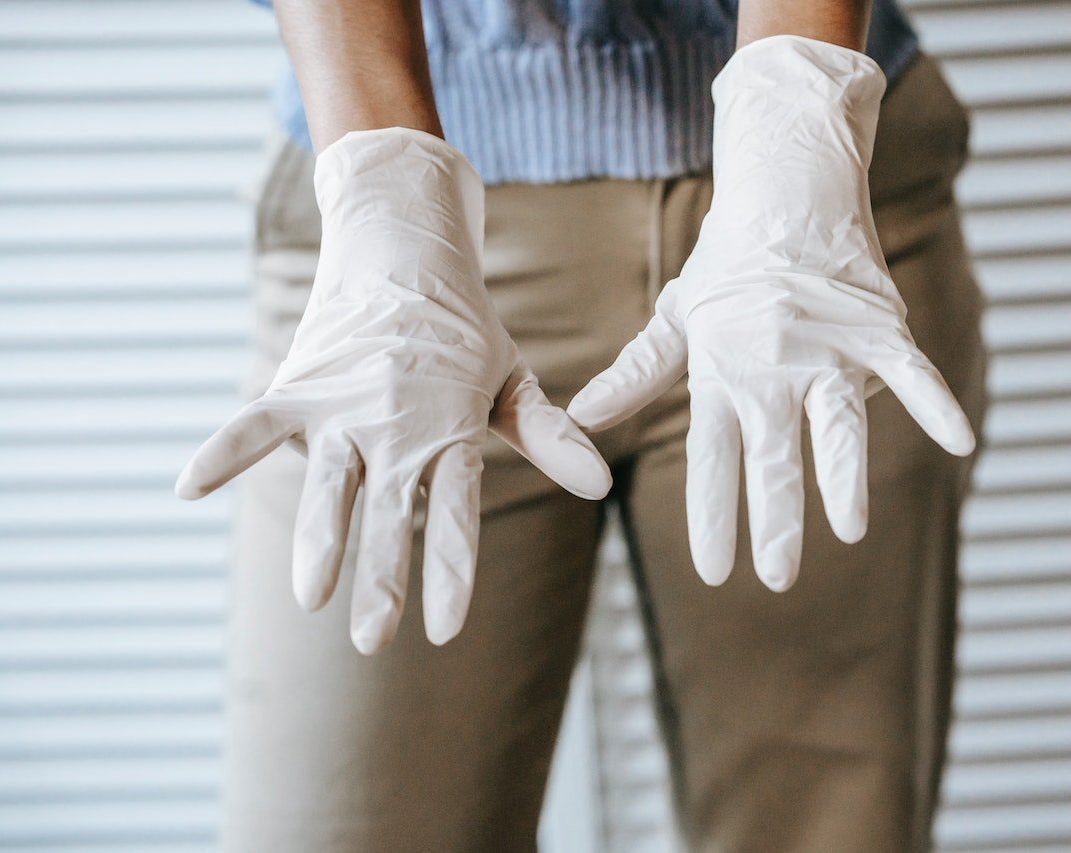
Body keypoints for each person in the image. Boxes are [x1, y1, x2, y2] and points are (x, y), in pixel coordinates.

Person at [176, 0, 987, 850]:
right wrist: (385, 176)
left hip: (818, 216)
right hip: (403, 242)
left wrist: (798, 99)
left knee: (826, 830)